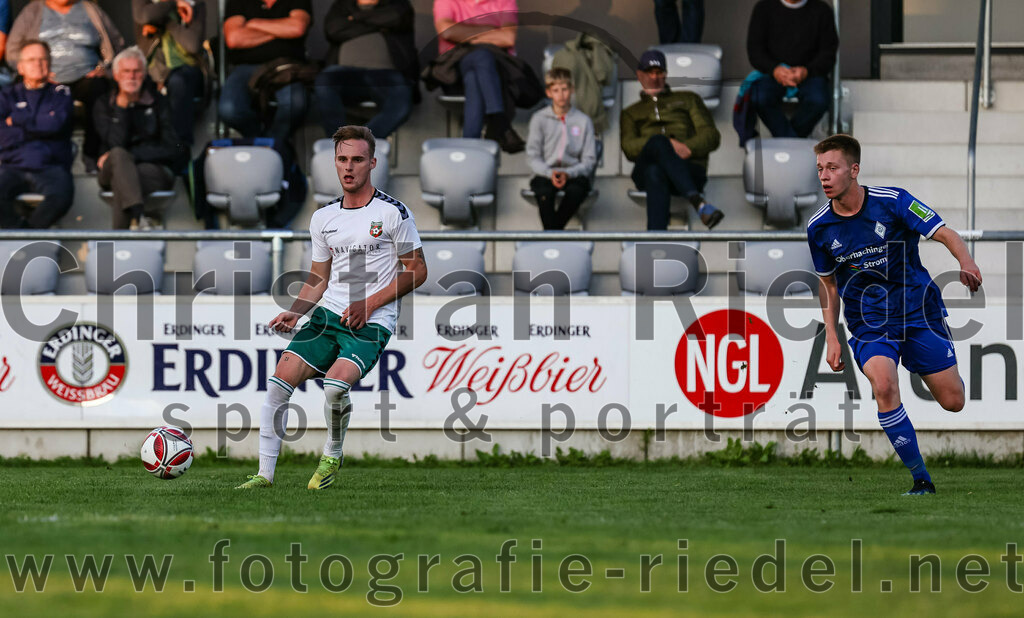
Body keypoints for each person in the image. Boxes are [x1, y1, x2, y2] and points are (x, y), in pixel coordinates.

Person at [236, 125, 427, 490]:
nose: (349, 167)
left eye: (357, 159)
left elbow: (417, 270)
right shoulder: (323, 218)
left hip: (373, 321)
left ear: (372, 163)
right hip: (328, 316)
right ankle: (264, 475)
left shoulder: (393, 213)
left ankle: (332, 455)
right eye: (342, 159)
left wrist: (369, 304)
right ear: (334, 163)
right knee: (279, 383)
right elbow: (319, 279)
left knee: (336, 386)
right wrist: (297, 310)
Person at [807, 134, 982, 496]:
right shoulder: (819, 228)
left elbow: (944, 233)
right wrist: (833, 336)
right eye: (821, 169)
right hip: (869, 320)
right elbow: (829, 286)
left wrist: (965, 261)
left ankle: (931, 357)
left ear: (854, 170)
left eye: (833, 168)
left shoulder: (893, 201)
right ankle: (921, 479)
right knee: (884, 385)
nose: (825, 176)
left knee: (953, 401)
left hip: (918, 310)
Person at [7, 0, 125, 171]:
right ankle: (24, 155)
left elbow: (117, 45)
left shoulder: (90, 10)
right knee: (19, 91)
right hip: (44, 80)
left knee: (99, 88)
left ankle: (92, 154)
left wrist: (105, 69)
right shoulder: (32, 10)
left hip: (85, 77)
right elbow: (12, 51)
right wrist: (35, 71)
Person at [621, 49, 722, 231]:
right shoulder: (630, 112)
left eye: (659, 72)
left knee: (655, 171)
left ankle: (655, 241)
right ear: (639, 75)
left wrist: (687, 147)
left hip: (690, 169)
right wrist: (666, 145)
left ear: (666, 74)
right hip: (643, 172)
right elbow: (628, 147)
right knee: (658, 143)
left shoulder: (689, 99)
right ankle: (698, 202)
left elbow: (711, 135)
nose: (654, 78)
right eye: (649, 73)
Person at [94, 46, 188, 230]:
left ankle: (119, 241)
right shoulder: (104, 104)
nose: (131, 76)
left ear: (144, 74)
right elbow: (112, 144)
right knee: (118, 156)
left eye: (136, 71)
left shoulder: (160, 102)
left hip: (153, 171)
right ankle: (139, 217)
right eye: (126, 71)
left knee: (122, 176)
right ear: (116, 75)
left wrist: (131, 156)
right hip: (111, 168)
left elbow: (174, 147)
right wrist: (121, 109)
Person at [316, 0, 416, 140]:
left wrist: (354, 18)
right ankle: (340, 142)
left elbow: (396, 19)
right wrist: (379, 25)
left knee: (401, 101)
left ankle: (357, 143)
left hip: (385, 74)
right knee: (324, 81)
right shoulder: (342, 5)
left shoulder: (398, 4)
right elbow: (333, 30)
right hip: (344, 73)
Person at [0, 40, 74, 229]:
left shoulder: (61, 93)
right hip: (13, 166)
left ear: (49, 64)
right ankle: (19, 232)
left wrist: (17, 120)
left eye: (42, 59)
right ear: (21, 67)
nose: (37, 64)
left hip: (50, 166)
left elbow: (55, 124)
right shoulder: (7, 96)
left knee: (62, 196)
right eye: (31, 59)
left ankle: (28, 234)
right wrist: (40, 126)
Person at [433, 0, 524, 152]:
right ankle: (499, 120)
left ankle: (471, 149)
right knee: (481, 56)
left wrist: (464, 34)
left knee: (475, 75)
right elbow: (447, 31)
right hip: (453, 75)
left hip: (495, 75)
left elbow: (508, 37)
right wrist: (491, 31)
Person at [220, 0, 311, 144]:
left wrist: (254, 24)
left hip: (286, 66)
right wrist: (281, 30)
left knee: (295, 104)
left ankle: (273, 144)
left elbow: (297, 28)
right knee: (229, 109)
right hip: (246, 66)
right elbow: (234, 39)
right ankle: (261, 140)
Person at [746, 0, 838, 138]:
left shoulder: (822, 10)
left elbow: (828, 53)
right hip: (772, 74)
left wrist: (806, 71)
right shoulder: (764, 8)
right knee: (759, 97)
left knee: (819, 100)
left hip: (810, 74)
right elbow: (755, 51)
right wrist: (775, 69)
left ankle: (784, 142)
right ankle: (792, 142)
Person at [525, 68, 596, 230]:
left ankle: (552, 235)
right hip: (546, 173)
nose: (561, 95)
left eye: (564, 89)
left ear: (571, 90)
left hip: (573, 173)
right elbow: (532, 156)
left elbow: (589, 159)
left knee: (577, 191)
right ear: (549, 93)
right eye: (556, 90)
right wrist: (550, 173)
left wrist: (569, 173)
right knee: (544, 193)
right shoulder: (539, 119)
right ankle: (555, 236)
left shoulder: (583, 121)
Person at [132, 0, 208, 146]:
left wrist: (167, 22)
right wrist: (173, 4)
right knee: (132, 78)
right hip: (151, 69)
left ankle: (181, 147)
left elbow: (192, 45)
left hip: (188, 69)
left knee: (178, 81)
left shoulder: (195, 3)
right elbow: (145, 16)